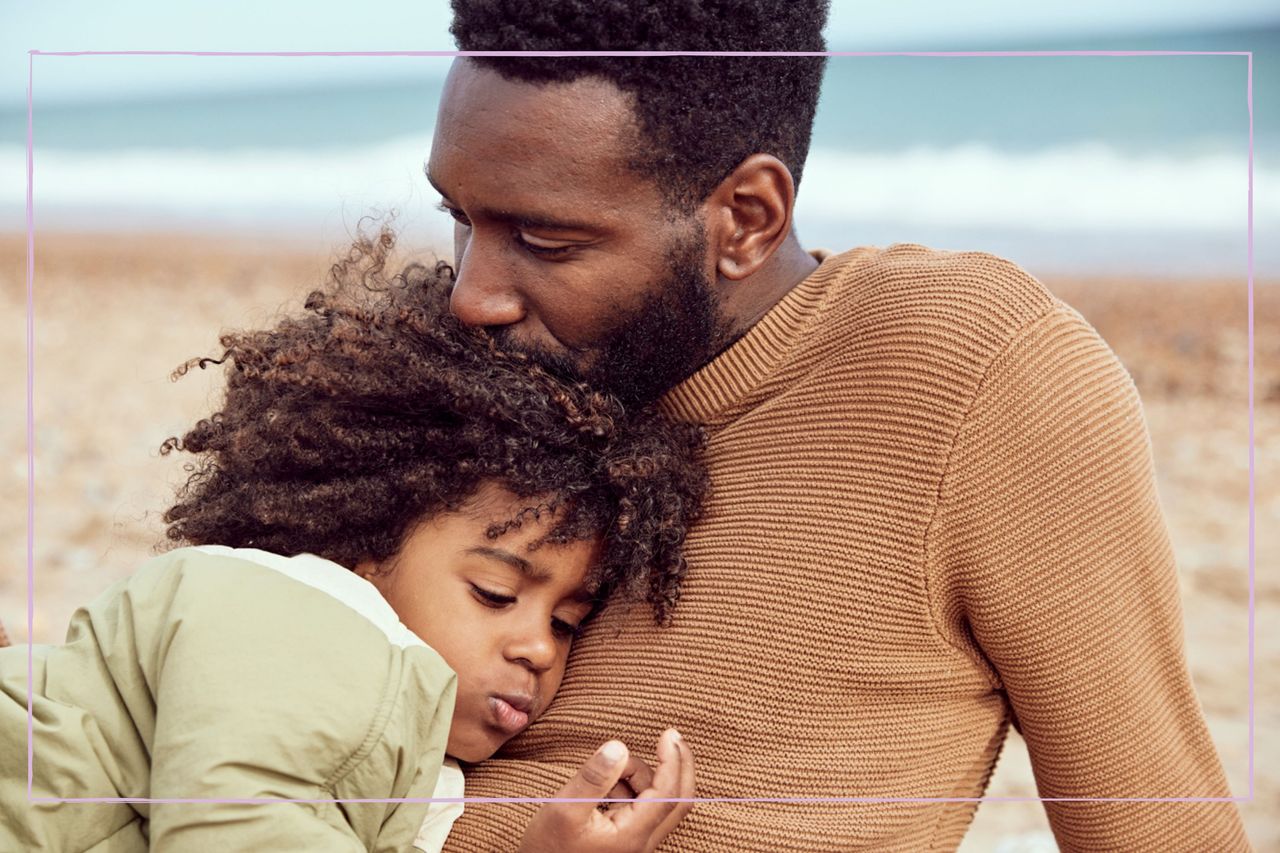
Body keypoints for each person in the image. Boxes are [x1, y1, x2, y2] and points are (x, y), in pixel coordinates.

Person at [431, 1, 1252, 851]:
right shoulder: (428, 385)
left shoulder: (971, 375)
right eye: (458, 216)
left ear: (746, 219)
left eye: (544, 240)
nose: (470, 296)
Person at [0, 238, 706, 853]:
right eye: (495, 593)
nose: (539, 649)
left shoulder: (420, 762)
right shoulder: (298, 618)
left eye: (565, 621)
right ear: (365, 547)